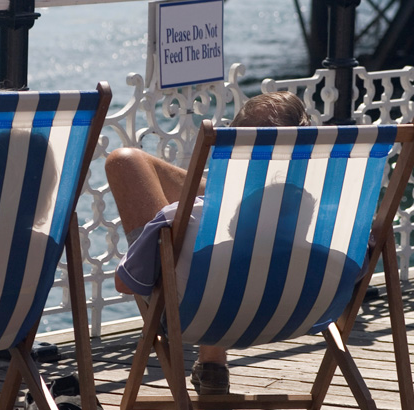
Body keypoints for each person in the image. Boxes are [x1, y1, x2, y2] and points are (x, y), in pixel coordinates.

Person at [104, 91, 311, 395]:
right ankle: (212, 363)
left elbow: (128, 283)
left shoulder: (187, 220)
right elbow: (357, 269)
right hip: (298, 314)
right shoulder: (328, 220)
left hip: (195, 314)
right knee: (228, 257)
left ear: (233, 154)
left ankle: (230, 190)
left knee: (124, 161)